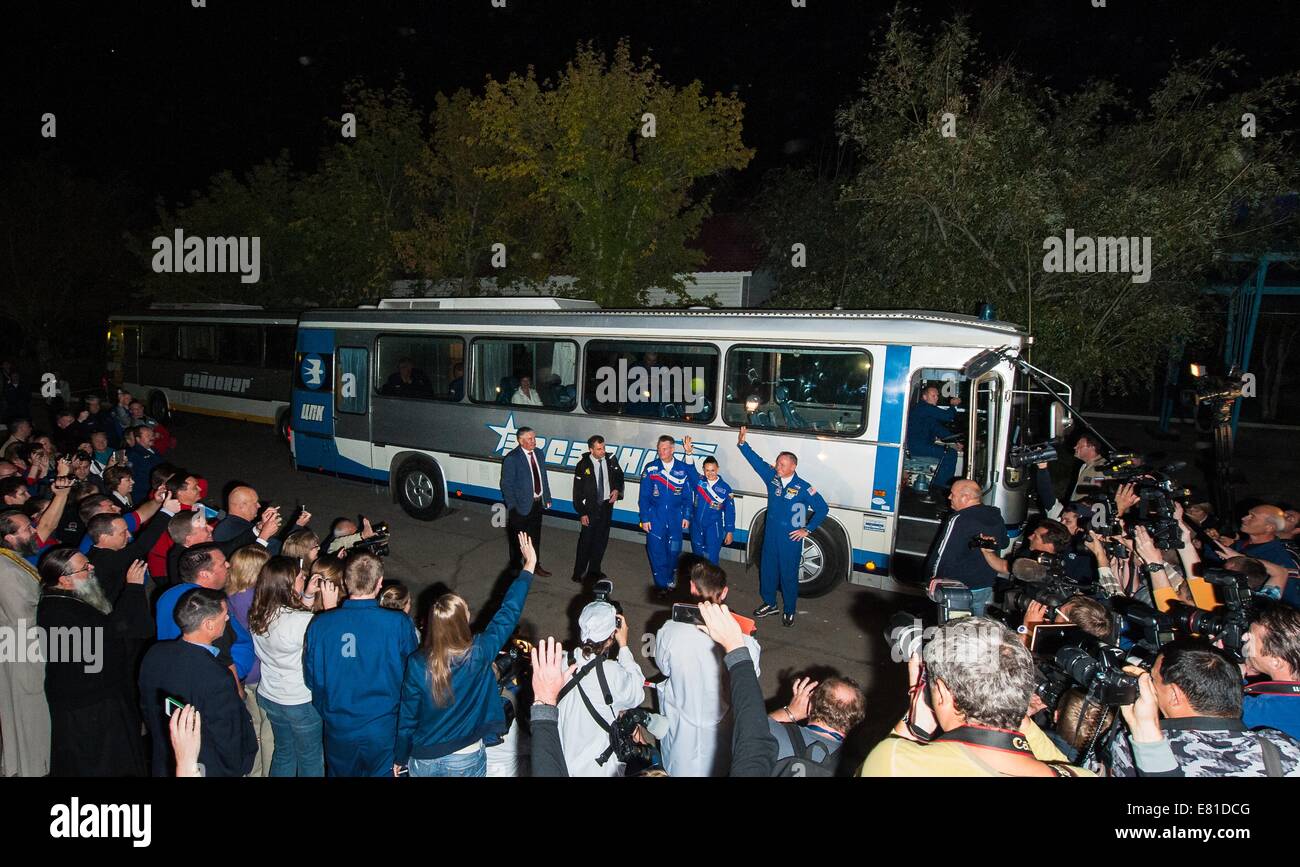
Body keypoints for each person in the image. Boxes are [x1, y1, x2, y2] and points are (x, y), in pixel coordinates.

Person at [860, 617, 1091, 776]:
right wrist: (1014, 712)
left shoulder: (898, 761)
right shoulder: (1083, 774)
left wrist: (914, 726)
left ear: (941, 693)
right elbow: (1062, 765)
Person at [395, 532, 537, 777]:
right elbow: (508, 612)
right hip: (466, 754)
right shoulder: (479, 652)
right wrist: (529, 567)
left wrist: (400, 756)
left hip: (424, 756)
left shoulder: (417, 663)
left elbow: (407, 718)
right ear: (463, 622)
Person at [1110, 639, 1300, 777]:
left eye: (1153, 679)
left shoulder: (1133, 748)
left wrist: (1144, 734)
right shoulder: (1282, 747)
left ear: (1175, 695)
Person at [304, 552, 419, 776]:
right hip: (383, 725)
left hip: (340, 725)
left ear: (346, 582)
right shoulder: (398, 623)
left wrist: (330, 711)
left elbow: (313, 679)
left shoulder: (320, 624)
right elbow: (413, 676)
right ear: (379, 583)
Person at [37, 548, 152, 776]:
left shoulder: (68, 600)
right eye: (85, 567)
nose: (92, 569)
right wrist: (133, 589)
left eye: (88, 563)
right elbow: (113, 631)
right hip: (88, 706)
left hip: (98, 697)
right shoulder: (58, 610)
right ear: (65, 580)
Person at [653, 560, 761, 776]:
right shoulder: (742, 639)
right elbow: (749, 679)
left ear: (692, 587)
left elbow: (663, 667)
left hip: (681, 728)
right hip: (723, 730)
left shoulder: (671, 630)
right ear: (725, 592)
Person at [138, 587, 258, 777]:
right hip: (207, 767)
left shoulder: (154, 654)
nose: (227, 619)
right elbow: (228, 738)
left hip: (166, 759)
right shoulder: (216, 676)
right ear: (209, 625)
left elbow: (148, 708)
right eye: (225, 615)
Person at [251, 556, 337, 776]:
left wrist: (307, 595)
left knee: (284, 752)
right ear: (289, 584)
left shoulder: (260, 612)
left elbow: (290, 622)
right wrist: (330, 608)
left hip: (270, 694)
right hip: (298, 700)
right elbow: (331, 640)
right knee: (310, 758)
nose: (304, 576)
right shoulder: (300, 622)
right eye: (300, 576)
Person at [736, 426, 829, 626]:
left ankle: (789, 609)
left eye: (782, 464)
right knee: (767, 572)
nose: (778, 467)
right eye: (778, 463)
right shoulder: (773, 480)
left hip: (790, 539)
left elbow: (822, 508)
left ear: (793, 467)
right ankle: (770, 603)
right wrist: (743, 444)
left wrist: (808, 529)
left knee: (788, 575)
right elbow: (757, 463)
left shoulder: (804, 487)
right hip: (770, 536)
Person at [557, 600, 647, 776]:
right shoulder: (612, 672)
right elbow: (637, 694)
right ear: (613, 634)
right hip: (596, 767)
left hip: (563, 759)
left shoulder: (562, 661)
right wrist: (624, 646)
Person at [155, 544, 255, 686]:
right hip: (221, 681)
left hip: (181, 674)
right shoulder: (210, 606)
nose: (228, 565)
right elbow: (222, 656)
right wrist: (237, 691)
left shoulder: (168, 594)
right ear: (204, 574)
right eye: (222, 563)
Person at [0, 509, 51, 775]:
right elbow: (22, 614)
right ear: (9, 537)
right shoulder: (5, 568)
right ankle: (27, 766)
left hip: (21, 643)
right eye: (26, 528)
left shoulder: (12, 560)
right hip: (18, 646)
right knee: (25, 709)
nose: (33, 531)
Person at [924, 479, 1008, 616]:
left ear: (966, 497)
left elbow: (943, 555)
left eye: (953, 494)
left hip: (959, 589)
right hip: (984, 585)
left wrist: (932, 578)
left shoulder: (960, 519)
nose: (949, 497)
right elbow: (1004, 543)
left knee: (953, 630)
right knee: (974, 627)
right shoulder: (994, 515)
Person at [226, 545, 273, 776]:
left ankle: (252, 772)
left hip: (243, 671)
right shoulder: (255, 599)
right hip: (260, 669)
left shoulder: (229, 594)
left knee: (254, 724)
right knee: (269, 728)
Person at [639, 434, 700, 598]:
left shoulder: (682, 469)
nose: (661, 451)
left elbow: (689, 496)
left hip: (676, 518)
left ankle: (670, 577)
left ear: (672, 449)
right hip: (655, 517)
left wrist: (686, 516)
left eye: (664, 448)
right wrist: (644, 518)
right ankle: (661, 586)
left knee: (674, 551)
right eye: (659, 448)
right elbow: (644, 497)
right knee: (656, 552)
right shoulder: (651, 468)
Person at [766, 676, 866, 771]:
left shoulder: (773, 734)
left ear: (811, 705)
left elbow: (753, 730)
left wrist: (790, 712)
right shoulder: (857, 767)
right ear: (856, 719)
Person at [499, 426, 552, 577]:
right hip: (520, 507)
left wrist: (546, 497)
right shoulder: (512, 458)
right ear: (520, 441)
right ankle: (515, 569)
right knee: (517, 541)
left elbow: (543, 478)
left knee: (535, 537)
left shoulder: (539, 454)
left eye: (534, 438)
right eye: (530, 439)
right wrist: (512, 506)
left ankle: (535, 565)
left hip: (537, 504)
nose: (533, 441)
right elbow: (506, 484)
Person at [1242, 601, 1300, 741]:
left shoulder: (1262, 711)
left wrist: (1226, 667)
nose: (1243, 639)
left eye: (1250, 640)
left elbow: (1219, 703)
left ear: (1276, 661)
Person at [571, 434, 624, 584]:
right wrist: (582, 512)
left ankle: (594, 570)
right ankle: (578, 572)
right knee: (586, 542)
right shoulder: (583, 465)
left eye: (604, 448)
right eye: (599, 449)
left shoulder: (610, 460)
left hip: (606, 506)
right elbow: (577, 492)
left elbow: (619, 477)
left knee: (601, 540)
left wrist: (616, 490)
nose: (602, 451)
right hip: (590, 508)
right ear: (591, 449)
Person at [905, 384, 962, 490]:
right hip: (918, 447)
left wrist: (954, 441)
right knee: (950, 454)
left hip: (921, 445)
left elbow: (937, 428)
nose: (936, 398)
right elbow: (947, 416)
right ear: (925, 397)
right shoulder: (924, 408)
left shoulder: (926, 411)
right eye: (933, 395)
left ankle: (938, 486)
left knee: (950, 451)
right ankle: (938, 488)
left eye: (937, 395)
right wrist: (953, 405)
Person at [690, 456, 735, 566]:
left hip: (713, 527)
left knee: (711, 558)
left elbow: (730, 511)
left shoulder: (725, 488)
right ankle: (698, 582)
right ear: (703, 470)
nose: (710, 473)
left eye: (713, 470)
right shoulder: (699, 482)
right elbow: (690, 470)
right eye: (707, 470)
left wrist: (729, 531)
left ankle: (712, 582)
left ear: (717, 469)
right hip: (696, 525)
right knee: (697, 558)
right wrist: (689, 454)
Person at [126, 426, 163, 505]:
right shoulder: (133, 455)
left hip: (157, 488)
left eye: (152, 435)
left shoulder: (152, 449)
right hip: (145, 495)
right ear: (138, 439)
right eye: (148, 436)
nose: (152, 437)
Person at [1069, 433, 1109, 501]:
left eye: (1079, 445)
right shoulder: (1084, 466)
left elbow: (1101, 496)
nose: (1075, 447)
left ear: (1092, 447)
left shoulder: (1101, 468)